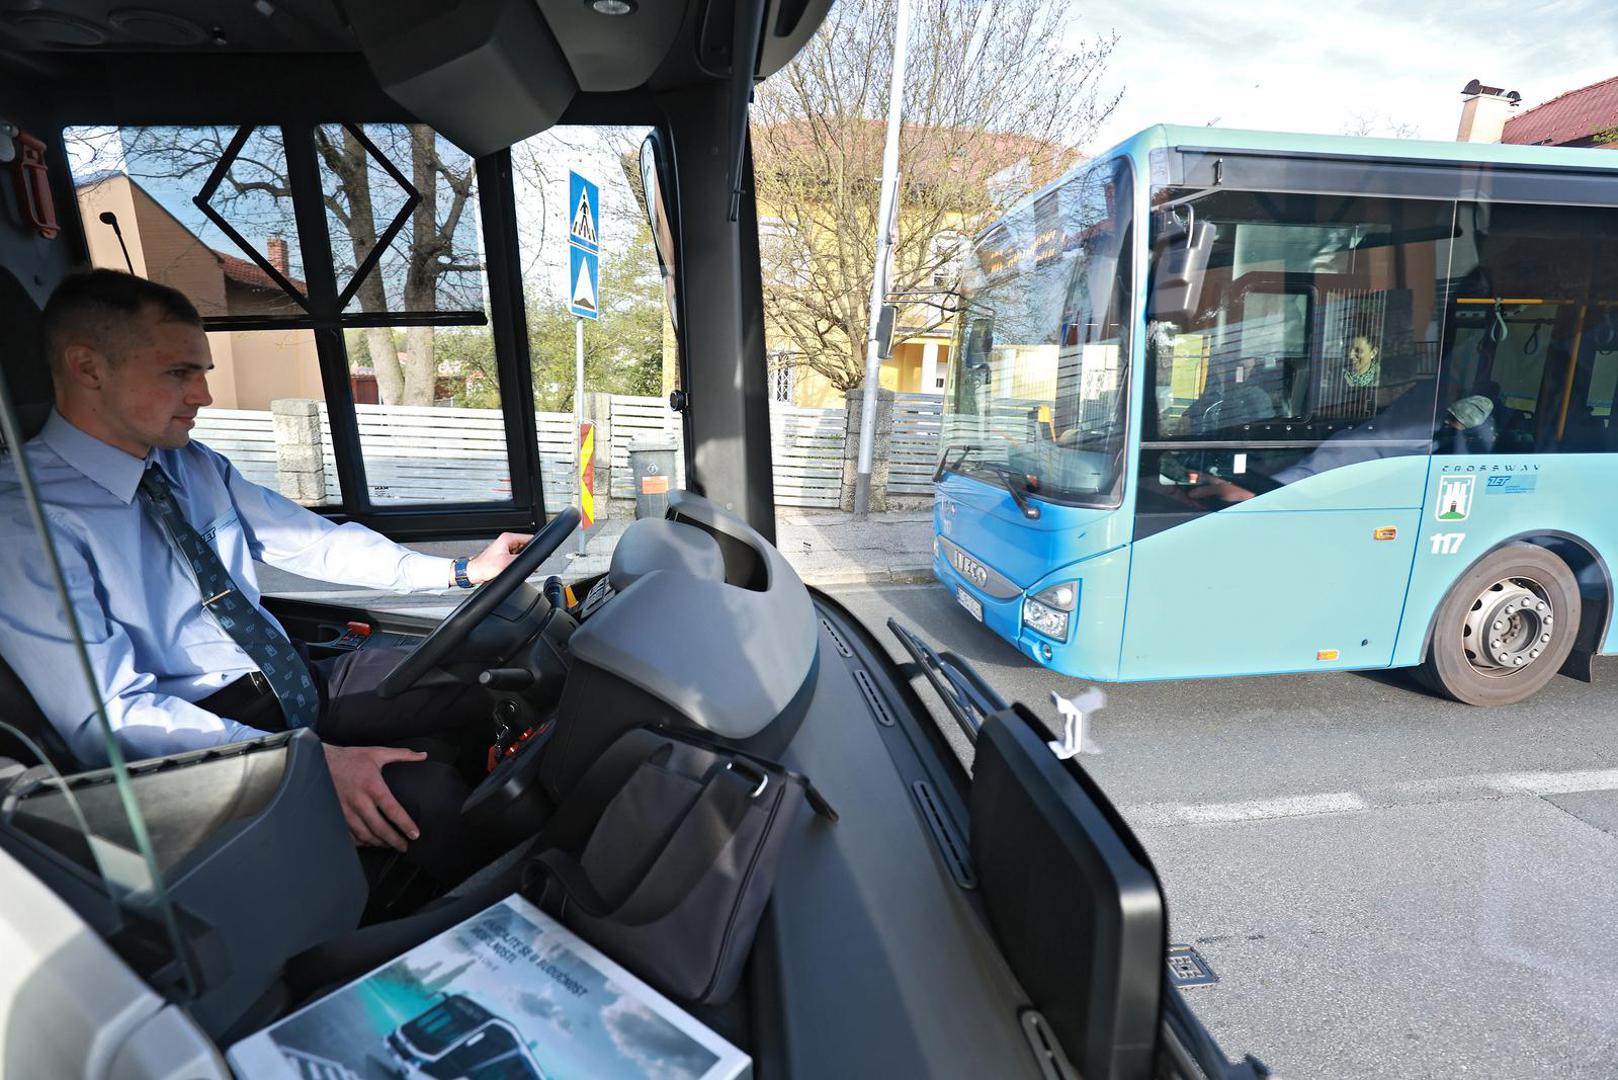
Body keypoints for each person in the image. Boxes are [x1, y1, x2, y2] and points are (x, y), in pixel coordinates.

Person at [0, 270, 531, 881]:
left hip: (289, 679)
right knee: (429, 799)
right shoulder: (28, 521)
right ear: (88, 368)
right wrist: (298, 764)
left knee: (484, 681)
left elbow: (311, 544)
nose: (201, 395)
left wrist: (461, 571)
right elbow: (113, 718)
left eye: (202, 373)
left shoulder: (189, 463)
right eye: (178, 373)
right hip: (204, 734)